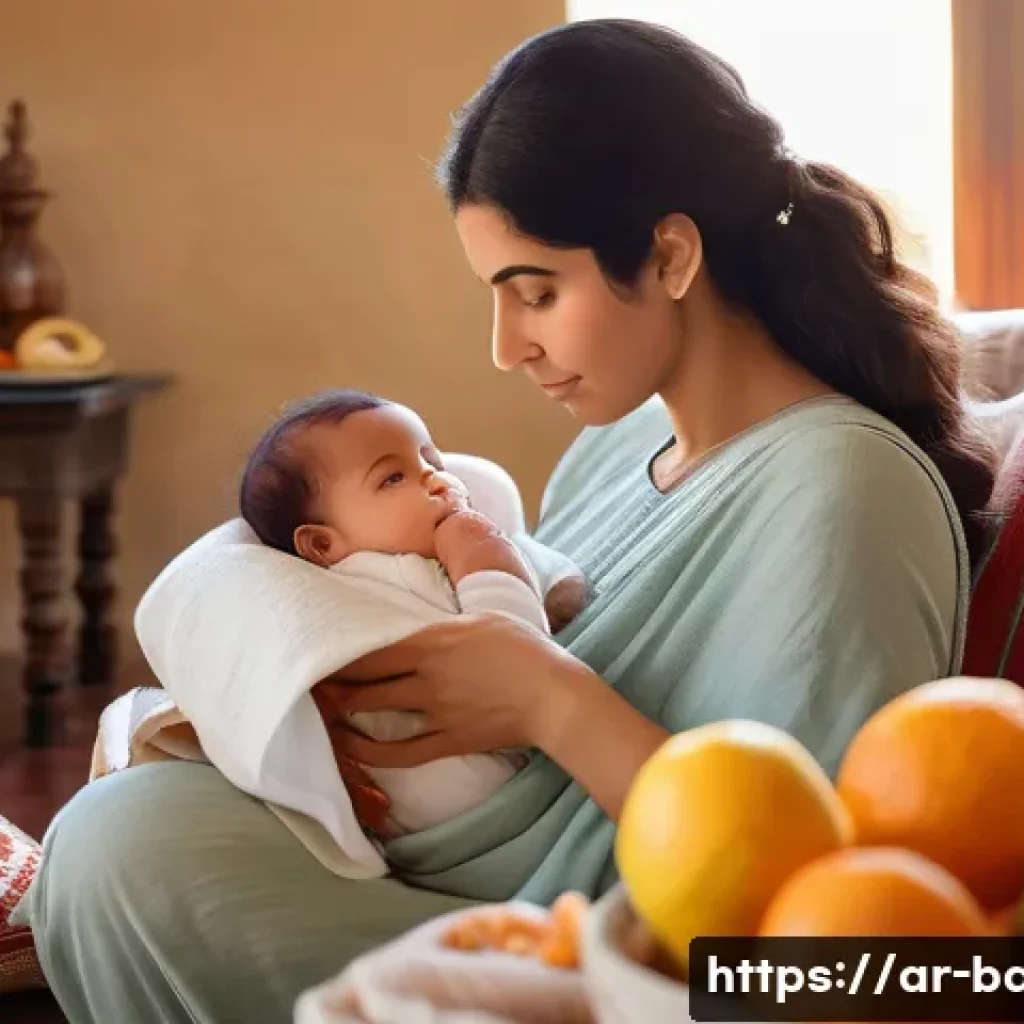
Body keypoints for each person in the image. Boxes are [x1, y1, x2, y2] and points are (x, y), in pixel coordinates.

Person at [14, 18, 996, 1024]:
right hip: (434, 873)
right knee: (120, 835)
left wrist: (548, 701)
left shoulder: (846, 487)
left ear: (669, 255)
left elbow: (815, 901)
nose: (505, 346)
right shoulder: (620, 443)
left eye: (536, 293)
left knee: (119, 864)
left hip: (599, 943)